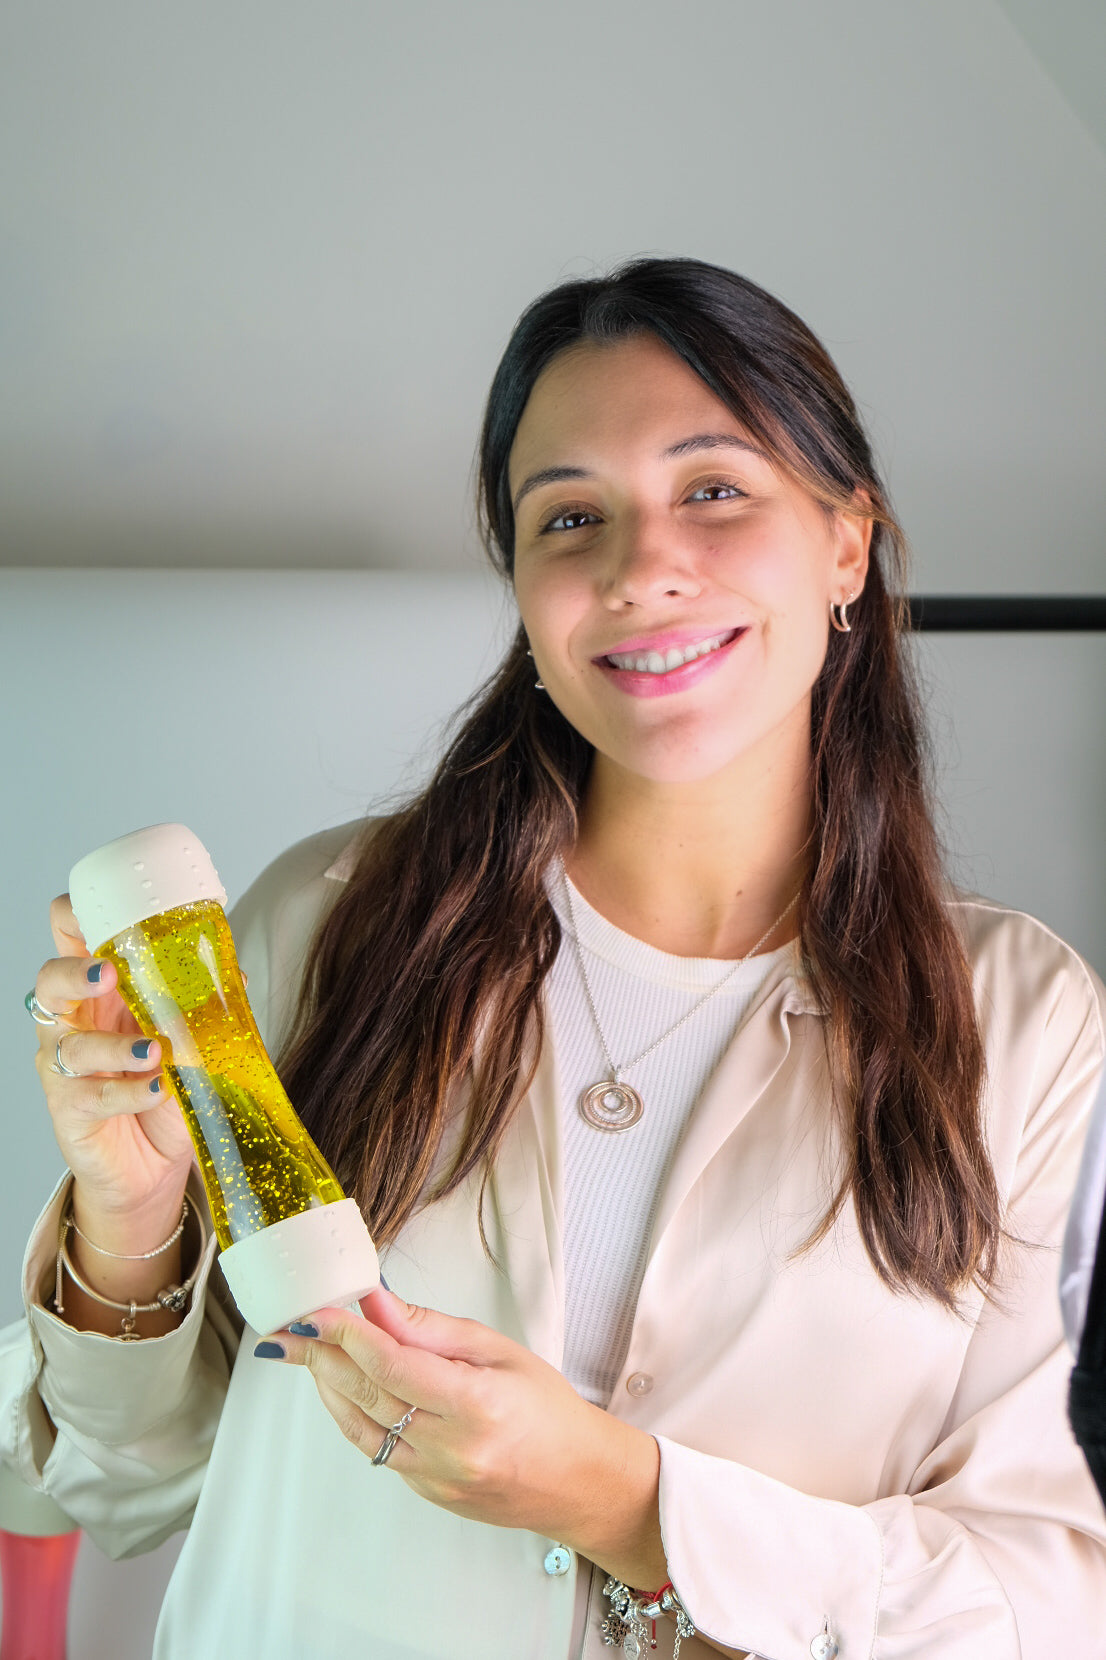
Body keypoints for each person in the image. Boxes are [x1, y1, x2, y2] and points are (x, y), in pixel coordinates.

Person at [4, 257, 1105, 1660]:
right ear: (523, 587)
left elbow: (1048, 1599)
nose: (639, 567)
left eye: (715, 489)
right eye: (569, 517)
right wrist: (131, 1221)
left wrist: (623, 1502)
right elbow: (125, 1486)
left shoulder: (1022, 1023)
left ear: (846, 547)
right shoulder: (327, 923)